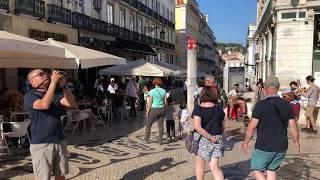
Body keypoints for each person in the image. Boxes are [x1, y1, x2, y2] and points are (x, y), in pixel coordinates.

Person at [241, 76, 300, 180]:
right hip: (281, 147)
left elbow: (251, 126)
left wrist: (245, 141)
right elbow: (293, 125)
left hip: (264, 146)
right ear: (277, 88)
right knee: (271, 170)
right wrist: (296, 141)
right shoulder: (287, 105)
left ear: (265, 88)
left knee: (257, 169)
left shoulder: (260, 105)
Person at [24, 69, 78, 180]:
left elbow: (72, 104)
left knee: (60, 175)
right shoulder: (30, 96)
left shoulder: (56, 93)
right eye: (40, 74)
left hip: (59, 140)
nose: (45, 75)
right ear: (32, 82)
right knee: (42, 177)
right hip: (42, 143)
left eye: (44, 73)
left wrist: (64, 87)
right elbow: (44, 105)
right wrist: (53, 83)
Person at [192, 86, 225, 180]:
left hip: (202, 139)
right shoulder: (218, 108)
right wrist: (216, 136)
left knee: (200, 166)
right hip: (217, 139)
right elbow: (223, 126)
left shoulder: (198, 109)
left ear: (202, 94)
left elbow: (197, 127)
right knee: (214, 167)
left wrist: (210, 137)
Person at [145, 77, 167, 144]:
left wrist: (147, 111)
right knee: (161, 125)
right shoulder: (164, 91)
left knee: (148, 125)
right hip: (162, 109)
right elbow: (165, 102)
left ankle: (147, 140)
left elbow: (150, 103)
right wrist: (165, 110)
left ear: (154, 83)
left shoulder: (152, 91)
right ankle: (160, 141)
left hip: (154, 109)